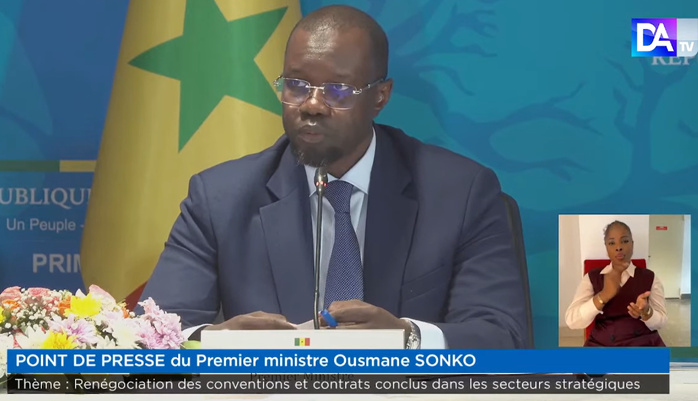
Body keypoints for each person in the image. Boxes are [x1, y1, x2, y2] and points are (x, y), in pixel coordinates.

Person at [139, 5, 529, 349]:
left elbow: (502, 335)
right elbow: (149, 335)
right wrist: (217, 342)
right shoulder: (219, 198)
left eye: (338, 90)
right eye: (296, 86)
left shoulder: (459, 193)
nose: (312, 105)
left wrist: (407, 338)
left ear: (381, 96)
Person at [565, 221, 667, 346]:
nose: (618, 247)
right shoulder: (592, 277)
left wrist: (646, 312)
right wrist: (603, 296)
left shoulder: (650, 277)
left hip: (643, 344)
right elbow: (572, 321)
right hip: (602, 345)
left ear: (632, 244)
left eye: (624, 241)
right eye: (612, 243)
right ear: (606, 247)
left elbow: (662, 322)